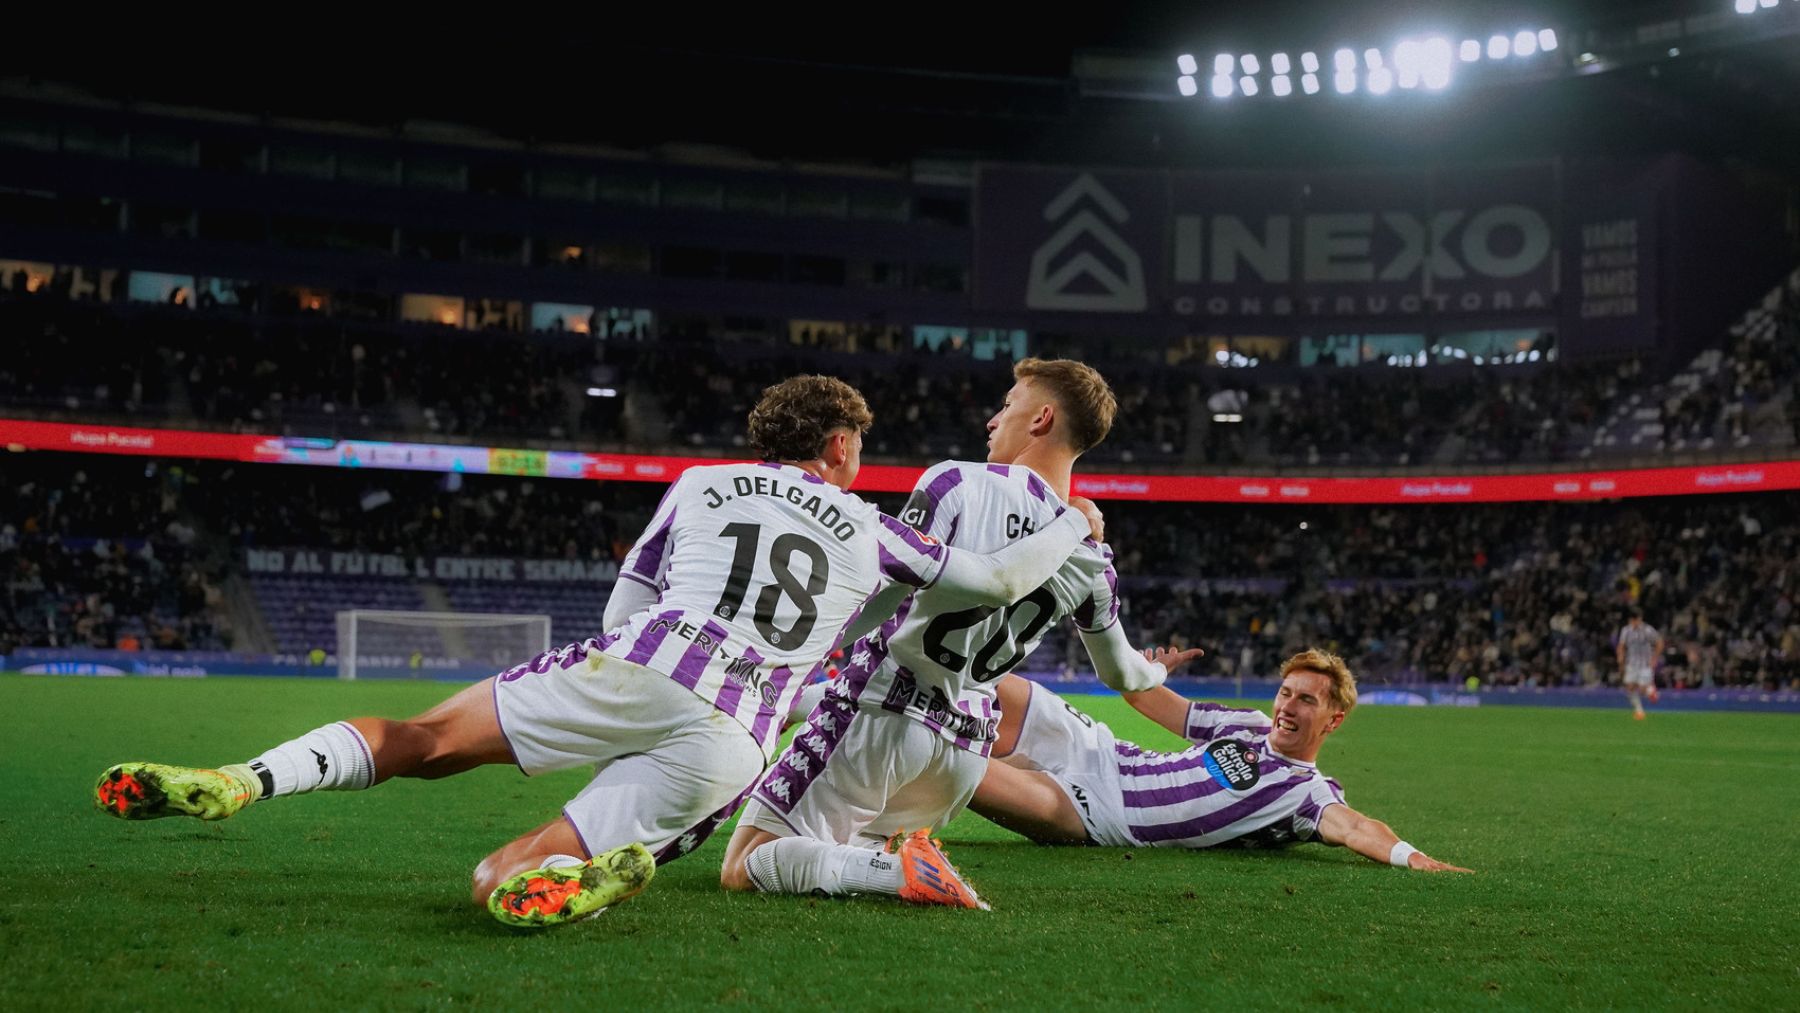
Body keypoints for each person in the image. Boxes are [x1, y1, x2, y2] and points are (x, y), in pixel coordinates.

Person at [94, 375, 1103, 928]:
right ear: (841, 448)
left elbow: (631, 594)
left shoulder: (703, 482)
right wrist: (1072, 522)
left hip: (648, 661)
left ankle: (243, 778)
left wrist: (607, 683)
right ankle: (590, 872)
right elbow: (1003, 581)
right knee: (502, 876)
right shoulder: (878, 530)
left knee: (422, 736)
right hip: (738, 732)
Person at [721, 358, 1171, 909]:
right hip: (963, 754)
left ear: (1042, 418)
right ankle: (898, 866)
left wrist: (783, 645)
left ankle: (899, 874)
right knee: (846, 852)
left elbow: (881, 593)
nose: (993, 419)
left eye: (1008, 404)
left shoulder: (958, 482)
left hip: (882, 717)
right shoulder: (1093, 559)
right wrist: (1159, 669)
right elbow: (1121, 672)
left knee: (745, 863)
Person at [968, 649, 1470, 873]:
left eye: (1306, 701)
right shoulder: (1247, 724)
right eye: (1286, 692)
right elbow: (1153, 703)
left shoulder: (1307, 794)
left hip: (1099, 814)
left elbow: (1357, 828)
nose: (1287, 707)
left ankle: (886, 826)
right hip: (1100, 751)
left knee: (956, 763)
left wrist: (1412, 856)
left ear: (1332, 721)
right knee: (978, 679)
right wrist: (1149, 671)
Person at [1616, 608, 1665, 720]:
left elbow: (1659, 642)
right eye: (1632, 620)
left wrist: (1654, 658)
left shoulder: (1648, 630)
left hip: (1645, 664)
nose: (1634, 623)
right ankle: (1639, 711)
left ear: (1640, 619)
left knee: (1642, 689)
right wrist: (1620, 658)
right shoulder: (1626, 631)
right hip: (1631, 663)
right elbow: (1622, 645)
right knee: (1630, 686)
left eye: (1636, 620)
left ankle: (1651, 691)